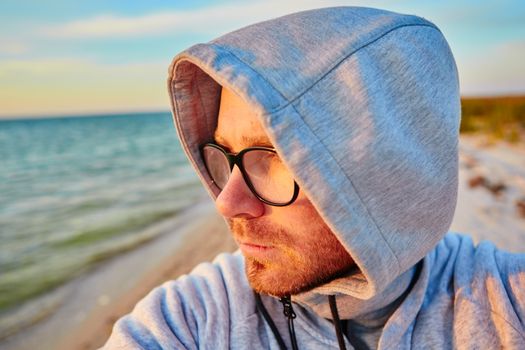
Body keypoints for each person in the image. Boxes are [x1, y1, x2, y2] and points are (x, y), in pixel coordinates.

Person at [103, 7, 525, 349]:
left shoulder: (506, 302)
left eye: (273, 154)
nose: (227, 202)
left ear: (386, 167)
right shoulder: (189, 321)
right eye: (224, 155)